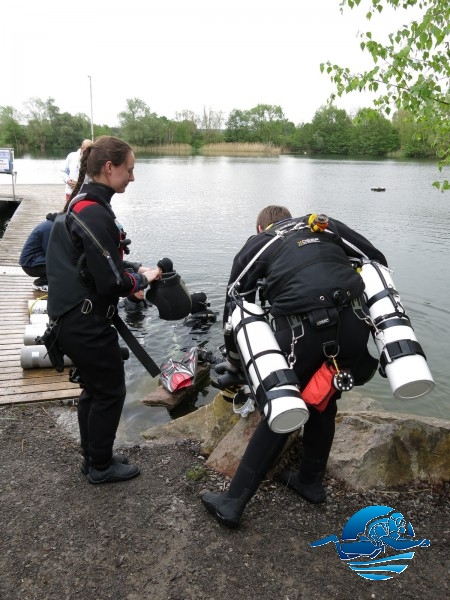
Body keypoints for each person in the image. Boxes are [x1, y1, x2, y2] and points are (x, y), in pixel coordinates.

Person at [201, 205, 388, 527]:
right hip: (356, 326)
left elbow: (236, 305)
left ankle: (231, 503)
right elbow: (375, 260)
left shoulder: (261, 243)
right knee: (324, 397)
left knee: (282, 405)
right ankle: (309, 481)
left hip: (306, 331)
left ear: (259, 227)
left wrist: (235, 362)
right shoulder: (323, 228)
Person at [46, 136, 162, 485]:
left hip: (71, 317)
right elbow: (110, 283)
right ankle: (100, 466)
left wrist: (133, 267)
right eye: (130, 169)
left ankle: (94, 457)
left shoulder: (82, 204)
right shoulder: (94, 212)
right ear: (109, 168)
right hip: (84, 321)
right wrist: (141, 280)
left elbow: (95, 263)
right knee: (110, 391)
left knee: (95, 390)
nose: (133, 177)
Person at [19, 212, 58, 291]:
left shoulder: (49, 224)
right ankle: (40, 283)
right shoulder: (49, 229)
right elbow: (50, 252)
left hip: (34, 259)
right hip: (30, 264)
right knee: (60, 265)